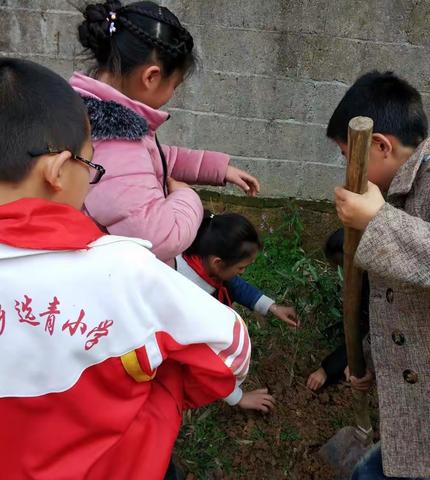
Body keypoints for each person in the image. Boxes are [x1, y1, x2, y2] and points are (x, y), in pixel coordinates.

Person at [0, 58, 250, 480]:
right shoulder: (123, 269)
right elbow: (231, 348)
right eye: (91, 165)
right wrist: (162, 398)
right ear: (58, 171)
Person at [329, 70, 430, 479]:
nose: (346, 172)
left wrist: (380, 222)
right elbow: (403, 301)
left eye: (348, 159)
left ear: (379, 146)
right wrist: (372, 358)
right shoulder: (400, 191)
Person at [70, 0, 260, 265]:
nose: (172, 95)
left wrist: (217, 169)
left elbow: (150, 160)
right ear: (151, 77)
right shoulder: (116, 144)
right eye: (175, 85)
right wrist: (187, 198)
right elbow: (160, 238)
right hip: (120, 282)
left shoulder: (103, 120)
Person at [176, 211, 300, 412]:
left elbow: (231, 283)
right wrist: (238, 397)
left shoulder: (198, 255)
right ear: (218, 262)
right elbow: (201, 361)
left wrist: (272, 307)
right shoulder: (190, 300)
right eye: (241, 268)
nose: (242, 273)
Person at [307, 228, 370, 391]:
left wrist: (329, 368)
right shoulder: (364, 280)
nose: (341, 272)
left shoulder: (376, 291)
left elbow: (368, 330)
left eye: (341, 266)